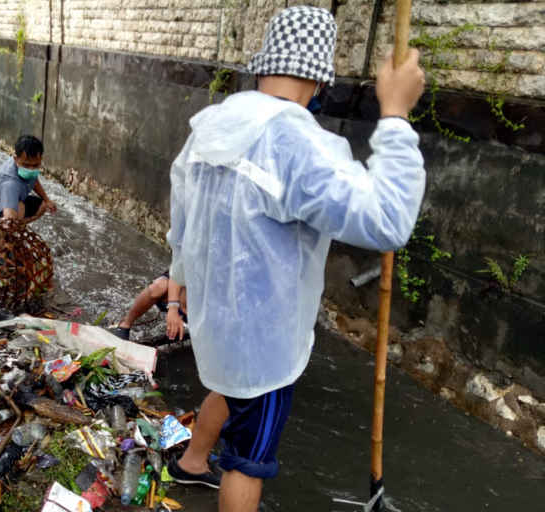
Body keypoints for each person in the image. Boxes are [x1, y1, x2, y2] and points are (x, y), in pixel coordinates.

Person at [165, 6, 426, 511]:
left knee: (231, 386)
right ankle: (217, 477)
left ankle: (192, 462)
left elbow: (182, 222)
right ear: (319, 75)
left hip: (217, 321)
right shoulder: (303, 145)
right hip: (264, 336)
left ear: (265, 63)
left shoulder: (213, 126)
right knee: (249, 458)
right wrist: (394, 116)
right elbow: (387, 220)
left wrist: (179, 289)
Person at [0, 135, 57, 225]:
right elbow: (9, 219)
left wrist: (47, 199)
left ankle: (16, 227)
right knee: (17, 210)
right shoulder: (10, 183)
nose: (31, 169)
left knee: (42, 205)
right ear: (16, 159)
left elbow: (34, 180)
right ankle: (1, 233)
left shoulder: (24, 166)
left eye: (35, 165)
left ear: (40, 159)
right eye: (26, 165)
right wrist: (11, 224)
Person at [108, 271, 189, 342]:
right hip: (176, 297)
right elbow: (177, 271)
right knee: (159, 286)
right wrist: (173, 308)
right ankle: (125, 324)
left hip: (196, 310)